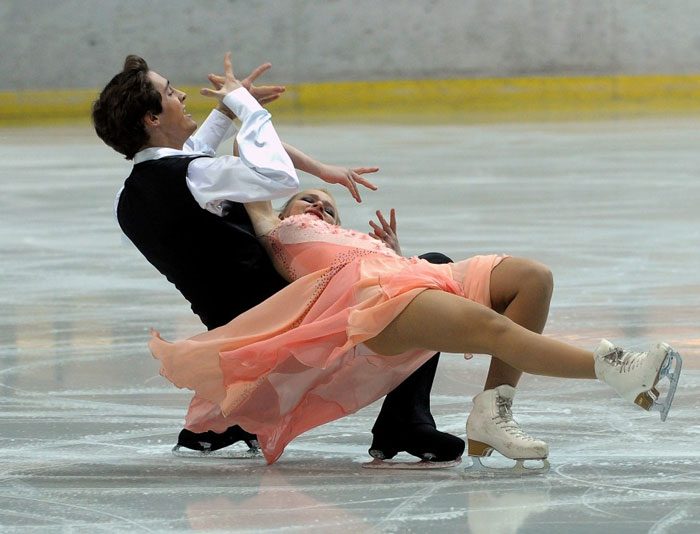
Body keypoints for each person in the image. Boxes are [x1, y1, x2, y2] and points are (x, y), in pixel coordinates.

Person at [91, 53, 463, 462]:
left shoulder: (126, 200)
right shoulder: (198, 176)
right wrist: (245, 109)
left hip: (237, 339)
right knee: (427, 272)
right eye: (169, 92)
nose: (180, 94)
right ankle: (405, 421)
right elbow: (276, 177)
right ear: (152, 118)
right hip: (289, 323)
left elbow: (182, 160)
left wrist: (223, 109)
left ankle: (238, 416)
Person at [149, 183, 683, 466]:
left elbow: (388, 261)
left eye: (330, 205)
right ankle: (618, 368)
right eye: (309, 198)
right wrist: (242, 106)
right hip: (373, 303)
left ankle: (493, 413)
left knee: (533, 279)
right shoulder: (278, 232)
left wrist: (397, 255)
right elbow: (257, 177)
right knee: (494, 331)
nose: (320, 205)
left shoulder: (352, 239)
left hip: (415, 277)